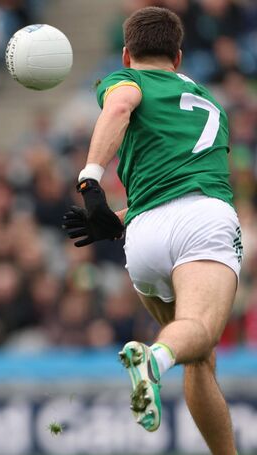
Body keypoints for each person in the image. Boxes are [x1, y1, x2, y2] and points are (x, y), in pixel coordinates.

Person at [61, 7, 240, 453]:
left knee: (197, 353)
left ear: (126, 53)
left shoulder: (125, 77)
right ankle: (154, 359)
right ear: (177, 58)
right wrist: (90, 180)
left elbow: (158, 181)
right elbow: (123, 106)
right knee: (197, 329)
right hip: (202, 221)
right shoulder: (209, 101)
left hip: (142, 236)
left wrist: (110, 211)